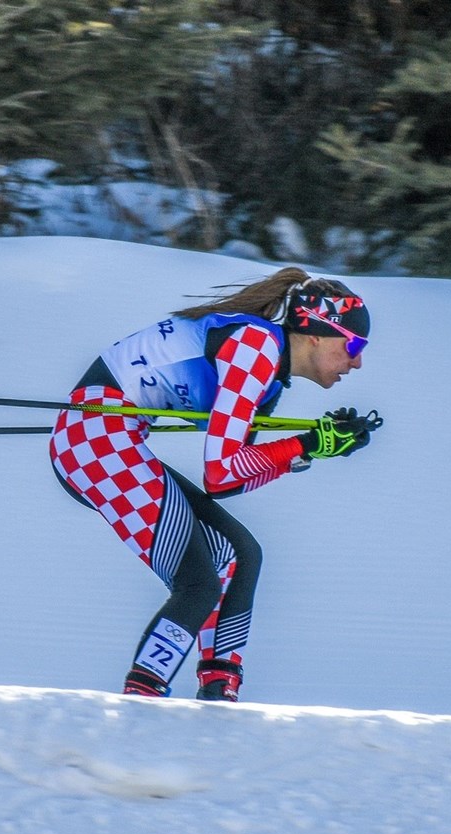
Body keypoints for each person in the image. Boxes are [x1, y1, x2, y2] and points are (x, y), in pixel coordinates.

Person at [49, 266, 381, 702]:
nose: (357, 361)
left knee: (240, 555)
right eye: (353, 345)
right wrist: (304, 443)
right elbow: (221, 470)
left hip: (107, 437)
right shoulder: (257, 346)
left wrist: (310, 450)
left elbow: (228, 481)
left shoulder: (268, 381)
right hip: (94, 435)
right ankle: (142, 697)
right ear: (317, 333)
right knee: (199, 583)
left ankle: (219, 691)